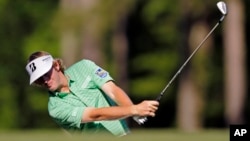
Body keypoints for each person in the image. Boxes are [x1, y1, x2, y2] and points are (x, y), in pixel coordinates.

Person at [25, 51, 159, 136]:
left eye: (46, 74)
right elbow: (96, 115)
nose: (45, 81)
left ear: (56, 65)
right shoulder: (55, 108)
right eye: (39, 79)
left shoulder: (85, 67)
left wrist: (134, 112)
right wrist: (134, 109)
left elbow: (113, 90)